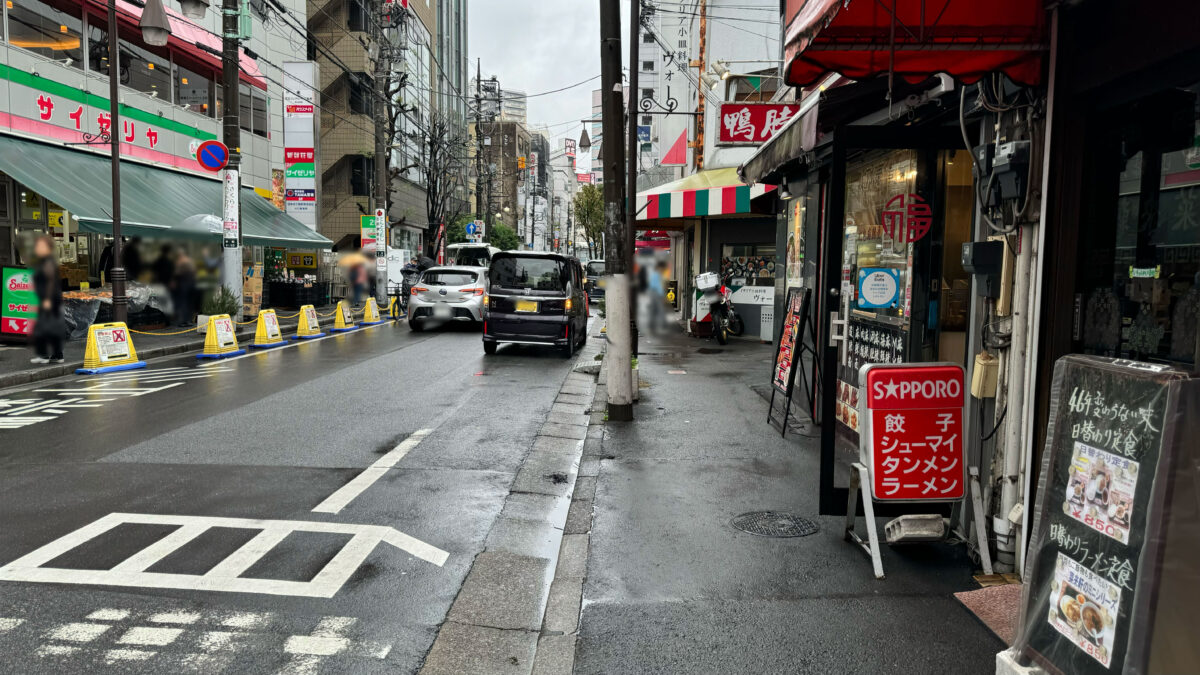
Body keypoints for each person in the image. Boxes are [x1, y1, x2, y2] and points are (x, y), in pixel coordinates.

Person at [30, 235, 65, 364]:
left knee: (43, 327)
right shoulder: (45, 261)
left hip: (49, 299)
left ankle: (44, 355)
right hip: (51, 299)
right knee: (52, 326)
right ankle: (57, 354)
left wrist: (47, 299)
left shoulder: (47, 261)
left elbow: (50, 281)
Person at [171, 251, 197, 326]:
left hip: (184, 284)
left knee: (183, 303)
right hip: (191, 283)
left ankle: (183, 321)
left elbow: (177, 273)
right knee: (189, 303)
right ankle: (188, 320)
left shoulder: (180, 262)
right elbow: (194, 271)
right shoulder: (189, 261)